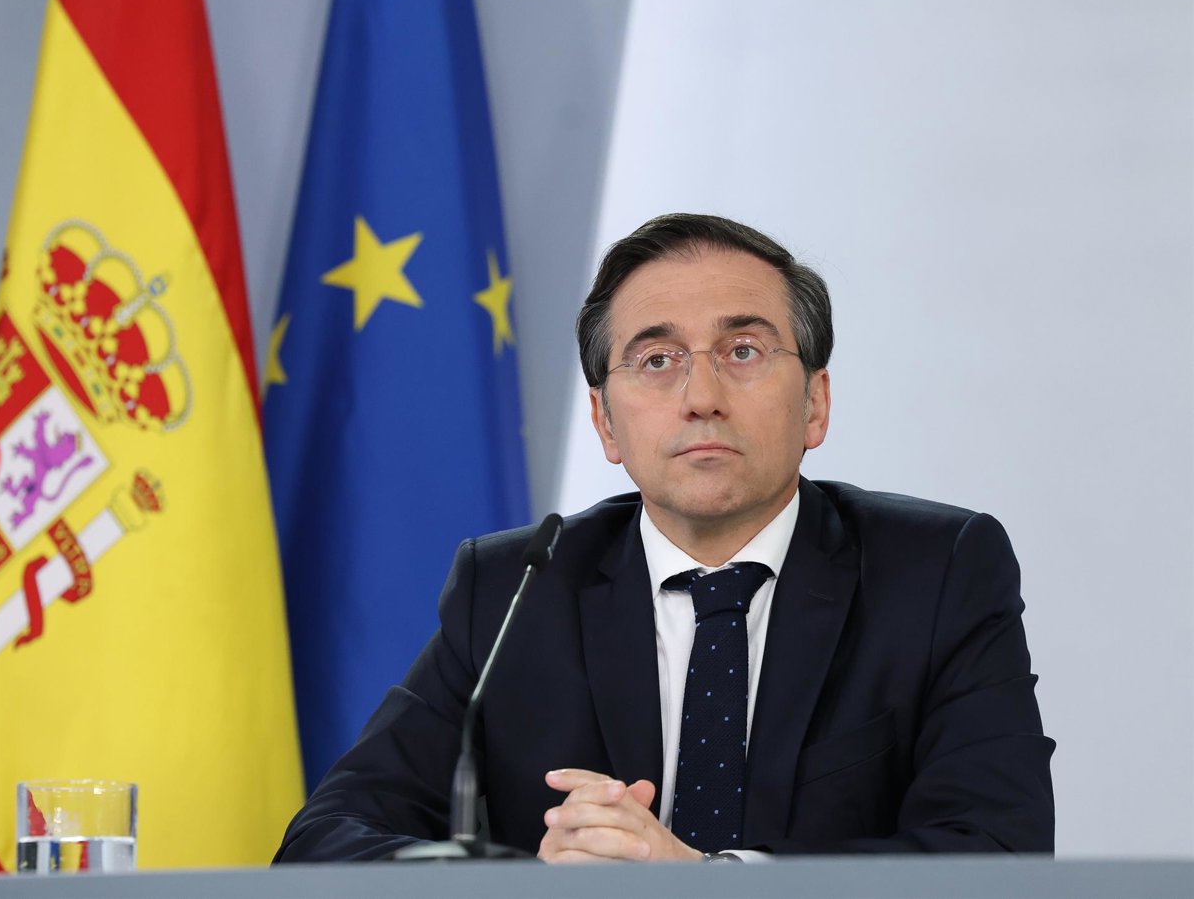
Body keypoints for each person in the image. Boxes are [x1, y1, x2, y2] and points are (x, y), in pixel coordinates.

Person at [274, 213, 1055, 863]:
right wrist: (541, 880)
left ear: (815, 403)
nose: (701, 396)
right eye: (656, 360)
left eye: (743, 351)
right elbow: (324, 840)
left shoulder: (938, 571)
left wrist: (705, 881)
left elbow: (999, 849)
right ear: (606, 423)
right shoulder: (517, 587)